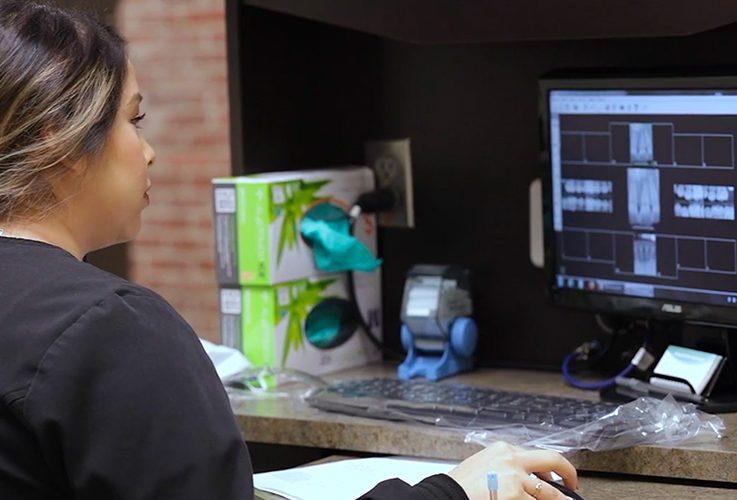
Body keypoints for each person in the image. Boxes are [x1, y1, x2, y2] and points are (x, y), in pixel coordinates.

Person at [0, 2, 578, 499]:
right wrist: (455, 491)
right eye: (136, 119)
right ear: (62, 137)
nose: (148, 152)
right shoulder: (111, 332)